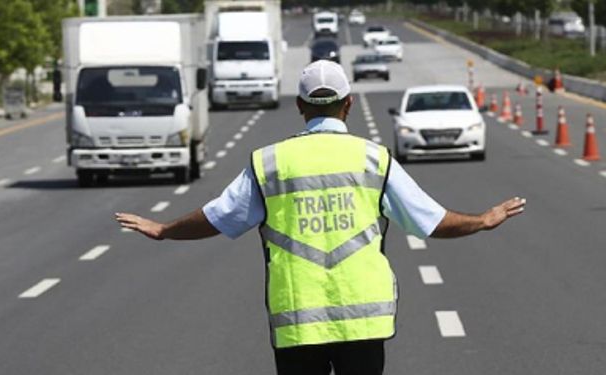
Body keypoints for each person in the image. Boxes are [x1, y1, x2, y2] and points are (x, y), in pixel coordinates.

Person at [115, 60, 526, 375]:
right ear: (348, 104)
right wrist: (482, 219)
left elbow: (219, 217)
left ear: (300, 107)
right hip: (365, 322)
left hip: (298, 320)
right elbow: (430, 222)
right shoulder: (373, 159)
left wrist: (164, 229)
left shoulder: (270, 163)